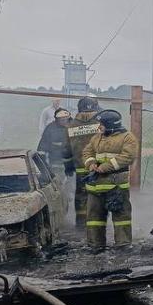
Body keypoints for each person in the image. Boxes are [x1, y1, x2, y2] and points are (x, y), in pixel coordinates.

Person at [81, 109, 138, 247]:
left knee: (121, 218)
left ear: (111, 124)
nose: (99, 127)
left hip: (116, 187)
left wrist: (105, 167)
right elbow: (87, 151)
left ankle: (123, 245)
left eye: (101, 124)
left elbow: (128, 157)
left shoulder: (127, 138)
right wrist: (90, 163)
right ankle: (95, 245)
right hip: (95, 187)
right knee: (94, 219)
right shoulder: (97, 137)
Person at [64, 96, 102, 227]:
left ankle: (81, 224)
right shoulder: (101, 124)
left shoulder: (71, 126)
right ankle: (97, 224)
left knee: (81, 196)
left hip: (81, 168)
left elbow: (66, 149)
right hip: (99, 168)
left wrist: (68, 165)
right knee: (98, 194)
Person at [36, 106, 75, 187]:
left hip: (73, 166)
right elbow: (41, 150)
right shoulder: (50, 129)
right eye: (62, 120)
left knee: (72, 188)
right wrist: (45, 170)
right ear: (56, 119)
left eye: (66, 119)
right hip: (56, 166)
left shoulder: (75, 127)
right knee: (58, 186)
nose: (64, 121)